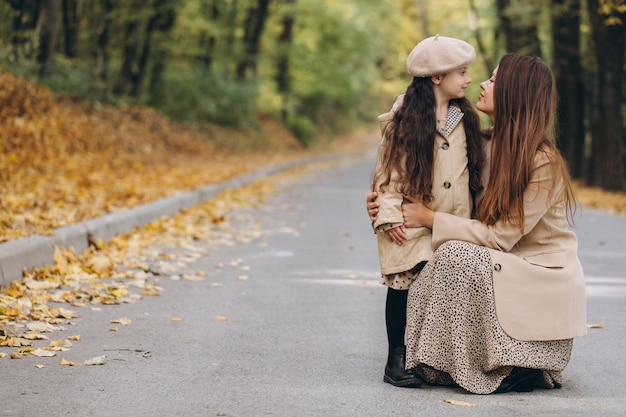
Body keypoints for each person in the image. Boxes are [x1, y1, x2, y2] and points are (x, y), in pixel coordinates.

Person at [366, 53, 587, 394]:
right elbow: (419, 163)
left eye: (494, 80)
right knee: (428, 258)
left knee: (456, 254)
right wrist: (387, 208)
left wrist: (430, 219)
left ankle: (518, 360)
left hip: (536, 273)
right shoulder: (477, 143)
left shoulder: (543, 162)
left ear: (515, 94)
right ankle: (426, 356)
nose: (482, 83)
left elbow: (500, 237)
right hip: (500, 265)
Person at [371, 35, 483, 388]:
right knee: (404, 279)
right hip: (411, 219)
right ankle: (396, 359)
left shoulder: (464, 118)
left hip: (454, 221)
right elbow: (389, 172)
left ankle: (444, 357)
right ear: (436, 77)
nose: (468, 79)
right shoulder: (405, 119)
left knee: (451, 285)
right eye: (461, 72)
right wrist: (387, 214)